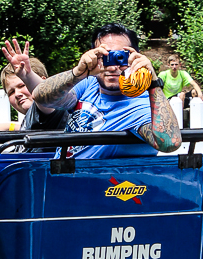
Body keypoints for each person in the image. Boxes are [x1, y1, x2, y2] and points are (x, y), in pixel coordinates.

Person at [32, 23, 182, 158]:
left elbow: (170, 143)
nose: (112, 67)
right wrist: (78, 73)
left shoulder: (140, 105)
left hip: (96, 183)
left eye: (120, 57)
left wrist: (153, 83)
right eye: (106, 57)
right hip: (61, 177)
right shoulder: (89, 83)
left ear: (135, 57)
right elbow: (41, 97)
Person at [0, 40, 68, 133]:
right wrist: (10, 127)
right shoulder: (31, 118)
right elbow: (32, 128)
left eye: (22, 85)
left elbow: (45, 97)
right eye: (11, 92)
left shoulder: (51, 107)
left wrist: (28, 75)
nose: (17, 94)